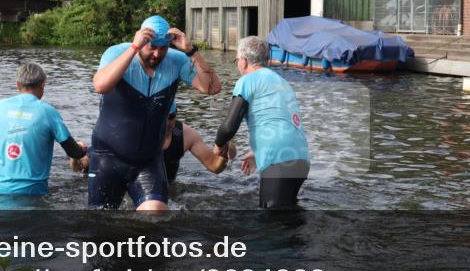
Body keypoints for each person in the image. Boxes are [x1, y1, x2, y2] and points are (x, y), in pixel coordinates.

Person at [88, 15, 221, 210]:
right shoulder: (116, 52)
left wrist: (191, 51)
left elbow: (212, 88)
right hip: (108, 156)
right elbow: (100, 86)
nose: (158, 54)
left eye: (163, 48)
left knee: (155, 215)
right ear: (142, 42)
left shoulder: (176, 60)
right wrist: (133, 48)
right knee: (99, 222)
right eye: (152, 47)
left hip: (148, 159)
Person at [214, 36, 310, 209]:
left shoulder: (247, 81)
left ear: (243, 61)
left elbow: (228, 127)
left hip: (279, 159)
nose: (237, 64)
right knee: (288, 218)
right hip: (301, 157)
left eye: (237, 60)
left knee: (271, 224)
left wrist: (218, 145)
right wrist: (257, 151)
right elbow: (281, 121)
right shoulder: (282, 82)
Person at [0, 62, 86, 196]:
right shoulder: (48, 112)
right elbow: (73, 152)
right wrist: (81, 149)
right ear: (43, 84)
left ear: (17, 84)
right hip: (33, 191)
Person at [69, 102, 231, 182]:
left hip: (165, 189)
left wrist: (224, 152)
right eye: (162, 118)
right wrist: (75, 155)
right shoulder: (129, 130)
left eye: (172, 117)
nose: (168, 123)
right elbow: (81, 166)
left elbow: (214, 167)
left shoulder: (187, 135)